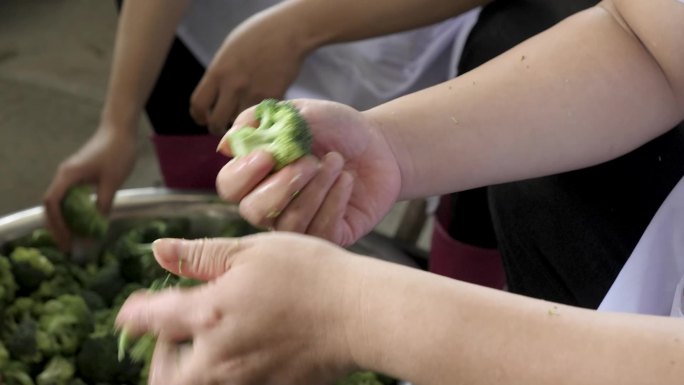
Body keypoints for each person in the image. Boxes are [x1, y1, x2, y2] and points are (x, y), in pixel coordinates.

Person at [41, 0, 481, 250]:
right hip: (253, 13)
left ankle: (465, 280)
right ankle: (207, 216)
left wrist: (299, 28)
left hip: (419, 25)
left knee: (509, 43)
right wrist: (116, 124)